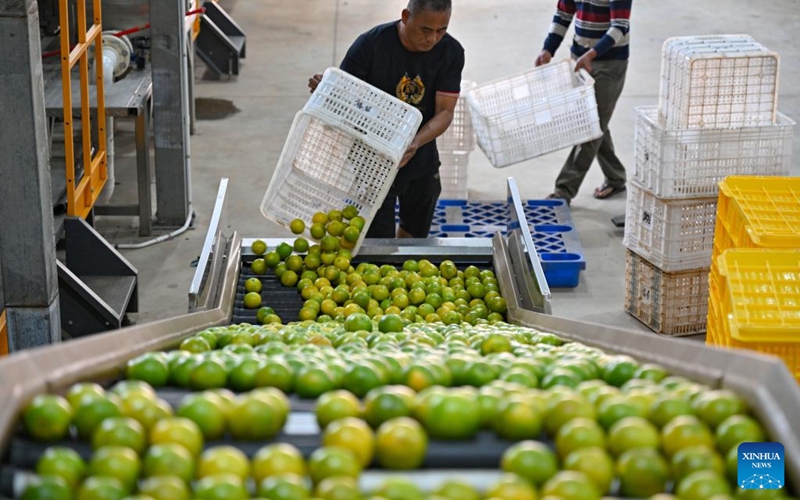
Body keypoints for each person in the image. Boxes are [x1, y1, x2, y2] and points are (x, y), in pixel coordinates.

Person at [309, 0, 464, 238]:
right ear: (405, 16)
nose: (433, 39)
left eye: (441, 30)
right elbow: (346, 99)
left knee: (415, 229)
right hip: (372, 159)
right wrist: (329, 91)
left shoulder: (450, 52)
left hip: (419, 154)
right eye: (425, 30)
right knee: (377, 238)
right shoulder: (370, 46)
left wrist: (415, 142)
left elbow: (445, 112)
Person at [536, 0, 632, 206]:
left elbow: (620, 27)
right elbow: (564, 13)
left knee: (591, 127)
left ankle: (563, 191)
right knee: (595, 121)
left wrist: (592, 53)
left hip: (609, 63)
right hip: (580, 59)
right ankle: (615, 178)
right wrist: (548, 49)